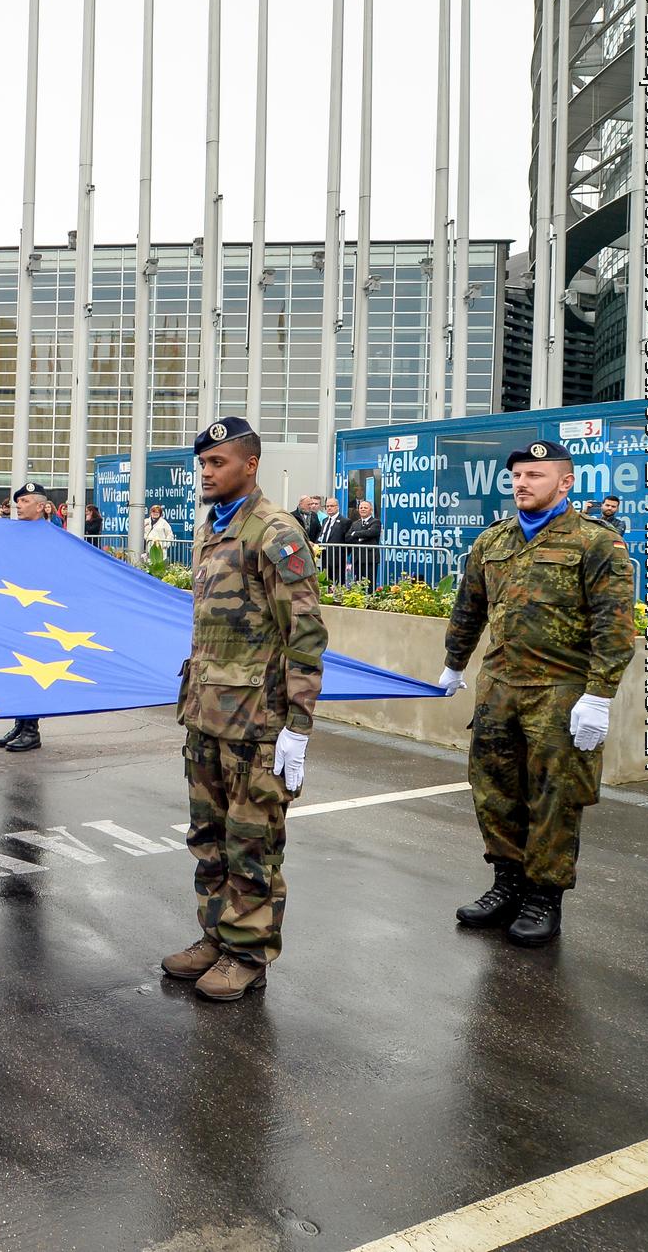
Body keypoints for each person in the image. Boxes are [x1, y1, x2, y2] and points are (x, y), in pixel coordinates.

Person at [440, 440, 636, 948]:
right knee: (495, 792)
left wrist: (600, 694)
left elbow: (614, 628)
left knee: (554, 798)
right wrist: (453, 663)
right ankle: (507, 883)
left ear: (565, 482)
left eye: (535, 475)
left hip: (560, 693)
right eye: (517, 476)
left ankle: (544, 896)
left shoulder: (597, 544)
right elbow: (469, 608)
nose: (522, 483)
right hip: (499, 689)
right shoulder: (493, 540)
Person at [162, 417, 325, 1002]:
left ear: (249, 464)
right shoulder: (214, 529)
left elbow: (305, 633)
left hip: (258, 724)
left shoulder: (274, 532)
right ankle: (215, 936)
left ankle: (248, 953)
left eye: (217, 463)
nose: (206, 472)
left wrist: (298, 728)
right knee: (207, 837)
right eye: (202, 463)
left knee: (250, 842)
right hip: (205, 716)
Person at [0, 481, 51, 755]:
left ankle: (31, 730)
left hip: (38, 614)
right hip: (16, 610)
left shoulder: (52, 536)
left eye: (25, 501)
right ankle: (20, 723)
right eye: (18, 501)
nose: (18, 505)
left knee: (32, 670)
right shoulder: (13, 533)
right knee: (17, 668)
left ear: (41, 506)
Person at [343, 498, 380, 586]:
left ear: (371, 510)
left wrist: (355, 534)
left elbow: (371, 533)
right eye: (361, 508)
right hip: (356, 558)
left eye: (365, 508)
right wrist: (361, 537)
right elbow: (348, 537)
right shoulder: (355, 523)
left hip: (370, 558)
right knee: (357, 583)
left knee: (369, 583)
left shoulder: (376, 522)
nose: (363, 509)